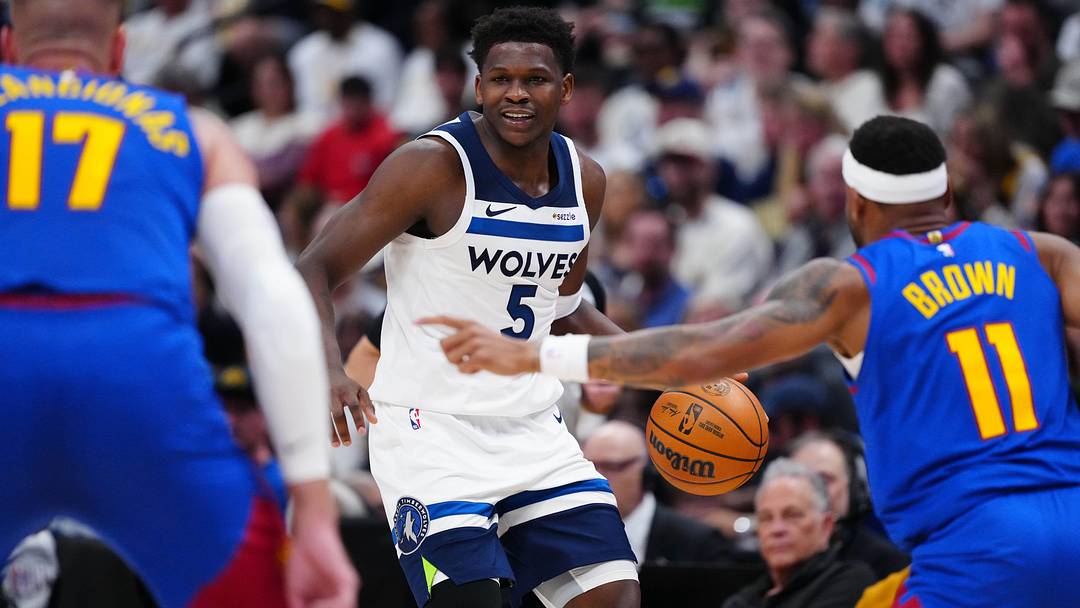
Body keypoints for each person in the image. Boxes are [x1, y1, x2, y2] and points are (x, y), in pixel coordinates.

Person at [426, 115, 1080, 607]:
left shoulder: (851, 285)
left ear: (854, 201)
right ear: (946, 191)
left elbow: (702, 352)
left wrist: (537, 353)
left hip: (976, 552)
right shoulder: (1043, 253)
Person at [0, 1, 358, 607]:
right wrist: (314, 507)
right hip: (136, 371)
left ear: (8, 50)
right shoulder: (192, 130)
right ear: (119, 52)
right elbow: (270, 297)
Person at [296, 7, 639, 608]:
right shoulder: (430, 165)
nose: (516, 93)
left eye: (534, 79)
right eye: (500, 78)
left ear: (565, 89)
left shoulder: (586, 180)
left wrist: (675, 372)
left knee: (613, 596)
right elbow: (313, 268)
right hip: (431, 431)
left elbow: (563, 308)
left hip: (532, 427)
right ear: (478, 87)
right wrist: (328, 370)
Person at [721, 459, 874, 608]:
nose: (777, 529)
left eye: (793, 515)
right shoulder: (743, 600)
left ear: (826, 526)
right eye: (766, 518)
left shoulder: (850, 583)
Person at [581, 421, 734, 566]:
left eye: (611, 466)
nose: (597, 477)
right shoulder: (567, 532)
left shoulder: (698, 541)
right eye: (588, 467)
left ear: (646, 470)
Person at [788, 432, 909, 580]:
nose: (812, 492)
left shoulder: (889, 566)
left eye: (824, 480)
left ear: (855, 488)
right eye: (799, 480)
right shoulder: (772, 559)